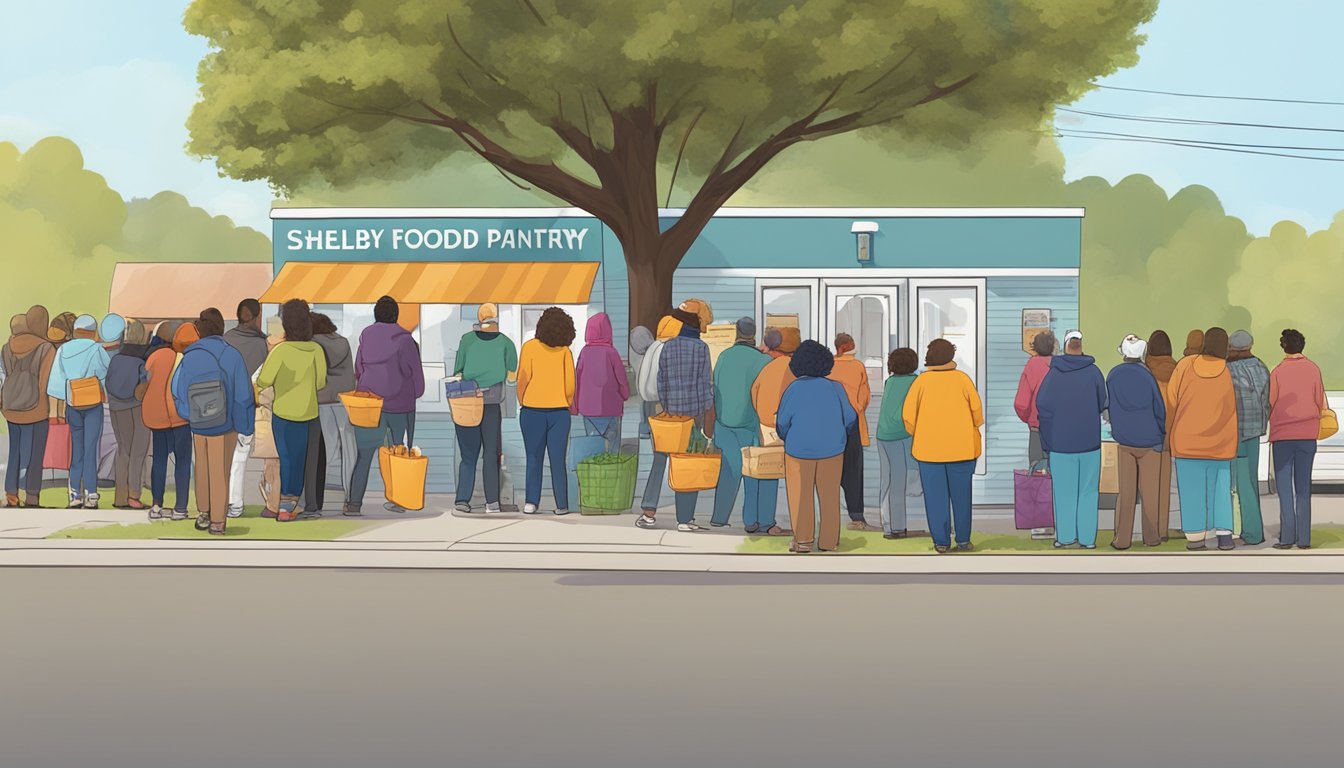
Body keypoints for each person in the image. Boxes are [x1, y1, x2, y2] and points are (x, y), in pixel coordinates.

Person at [172, 308, 255, 535]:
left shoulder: (189, 356)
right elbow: (243, 395)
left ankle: (204, 512)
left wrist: (188, 414)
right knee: (221, 470)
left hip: (199, 422)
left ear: (199, 330)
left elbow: (177, 388)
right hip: (226, 423)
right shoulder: (232, 354)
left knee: (202, 467)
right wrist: (246, 425)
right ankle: (218, 521)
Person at [903, 338, 983, 554]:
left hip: (929, 451)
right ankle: (964, 540)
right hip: (962, 449)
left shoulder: (921, 382)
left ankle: (941, 542)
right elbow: (977, 413)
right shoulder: (963, 380)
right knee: (962, 497)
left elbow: (908, 418)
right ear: (951, 357)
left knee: (935, 499)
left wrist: (922, 432)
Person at [776, 340, 855, 553]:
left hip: (798, 450)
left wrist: (787, 436)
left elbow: (782, 422)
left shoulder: (793, 389)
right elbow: (850, 417)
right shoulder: (836, 388)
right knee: (830, 497)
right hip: (832, 449)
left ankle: (803, 540)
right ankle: (829, 542)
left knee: (800, 496)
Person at [642, 303, 715, 531]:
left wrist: (667, 405)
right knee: (688, 464)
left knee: (659, 459)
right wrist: (706, 413)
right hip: (693, 417)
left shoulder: (668, 347)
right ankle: (684, 519)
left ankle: (648, 511)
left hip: (670, 414)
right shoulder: (701, 349)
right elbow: (705, 385)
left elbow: (661, 382)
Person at [350, 296, 425, 514]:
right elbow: (416, 376)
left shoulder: (366, 336)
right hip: (398, 406)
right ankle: (398, 500)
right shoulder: (406, 340)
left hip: (370, 405)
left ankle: (354, 503)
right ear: (396, 315)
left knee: (364, 455)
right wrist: (415, 393)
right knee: (397, 454)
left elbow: (358, 369)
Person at [1168, 327, 1238, 551]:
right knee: (1221, 489)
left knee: (1191, 490)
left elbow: (1171, 401)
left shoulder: (1185, 366)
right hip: (1221, 443)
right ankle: (1224, 535)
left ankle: (1196, 537)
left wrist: (1169, 431)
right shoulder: (1228, 373)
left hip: (1187, 441)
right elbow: (1232, 409)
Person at [256, 299, 327, 522]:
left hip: (283, 413)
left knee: (285, 458)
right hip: (308, 412)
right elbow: (321, 382)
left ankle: (284, 506)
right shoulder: (316, 349)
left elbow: (264, 380)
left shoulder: (281, 351)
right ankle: (290, 503)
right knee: (299, 460)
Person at [1036, 330, 1107, 549]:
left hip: (1060, 444)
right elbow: (1103, 402)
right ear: (1081, 346)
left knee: (1064, 492)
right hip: (1089, 443)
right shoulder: (1094, 372)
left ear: (1066, 346)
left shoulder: (1054, 374)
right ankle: (1087, 539)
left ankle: (1065, 537)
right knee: (1088, 492)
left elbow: (1042, 406)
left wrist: (1046, 441)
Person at [709, 318, 781, 534]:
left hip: (724, 423)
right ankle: (756, 521)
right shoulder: (763, 361)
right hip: (752, 425)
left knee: (729, 472)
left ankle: (719, 517)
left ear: (736, 332)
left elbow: (715, 389)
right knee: (757, 473)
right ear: (754, 335)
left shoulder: (723, 357)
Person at [452, 303, 518, 514]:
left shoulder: (467, 340)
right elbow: (512, 374)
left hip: (467, 402)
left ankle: (463, 500)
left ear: (479, 319)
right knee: (491, 453)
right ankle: (492, 502)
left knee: (468, 455)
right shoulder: (506, 343)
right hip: (491, 404)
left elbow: (458, 371)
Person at [1106, 334, 1166, 549]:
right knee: (1150, 493)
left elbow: (1108, 405)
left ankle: (1122, 539)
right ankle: (1151, 537)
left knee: (1127, 492)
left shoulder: (1113, 375)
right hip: (1150, 442)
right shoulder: (1147, 377)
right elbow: (1159, 408)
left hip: (1124, 441)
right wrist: (1161, 434)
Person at [1268, 328, 1326, 550]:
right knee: (1303, 488)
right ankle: (1304, 539)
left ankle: (1287, 538)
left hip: (1283, 435)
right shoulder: (1313, 369)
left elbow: (1271, 401)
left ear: (1284, 347)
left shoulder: (1278, 371)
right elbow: (1320, 401)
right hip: (1307, 434)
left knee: (1284, 488)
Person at [46, 314, 111, 509]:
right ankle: (91, 493)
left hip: (73, 404)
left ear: (75, 331)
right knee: (91, 448)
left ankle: (74, 494)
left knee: (77, 449)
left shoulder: (64, 349)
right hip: (93, 404)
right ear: (93, 331)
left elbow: (56, 381)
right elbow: (106, 373)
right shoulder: (97, 349)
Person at [516, 307, 576, 516]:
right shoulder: (565, 352)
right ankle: (561, 504)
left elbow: (522, 378)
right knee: (558, 460)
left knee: (533, 458)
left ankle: (531, 502)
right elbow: (570, 386)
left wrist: (523, 400)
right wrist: (565, 402)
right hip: (559, 413)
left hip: (532, 411)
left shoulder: (530, 347)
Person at [2, 306, 55, 508]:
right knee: (35, 454)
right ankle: (32, 496)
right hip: (36, 409)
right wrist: (44, 406)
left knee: (14, 451)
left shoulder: (7, 347)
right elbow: (44, 381)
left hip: (11, 406)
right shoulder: (46, 348)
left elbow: (4, 375)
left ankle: (11, 495)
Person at [143, 322, 195, 520]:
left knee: (159, 461)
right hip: (180, 416)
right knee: (182, 462)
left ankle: (157, 505)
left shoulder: (154, 357)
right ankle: (180, 508)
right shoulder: (183, 358)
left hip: (158, 417)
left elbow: (145, 382)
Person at [224, 298, 269, 518]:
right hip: (248, 408)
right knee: (240, 457)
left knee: (221, 457)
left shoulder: (226, 340)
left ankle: (221, 501)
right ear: (257, 315)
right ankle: (235, 504)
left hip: (222, 408)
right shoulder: (263, 345)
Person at [634, 315, 682, 522]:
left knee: (659, 459)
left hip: (651, 407)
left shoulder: (652, 348)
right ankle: (683, 513)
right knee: (678, 458)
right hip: (667, 407)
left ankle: (649, 508)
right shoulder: (669, 350)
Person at [1227, 330, 1270, 546]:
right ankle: (1251, 530)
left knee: (1237, 484)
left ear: (1232, 348)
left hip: (1235, 432)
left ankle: (1248, 532)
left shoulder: (1229, 369)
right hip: (1255, 431)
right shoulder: (1261, 366)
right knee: (1250, 481)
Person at [829, 333, 874, 531]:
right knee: (854, 472)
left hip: (830, 423)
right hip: (853, 423)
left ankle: (830, 515)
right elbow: (865, 396)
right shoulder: (858, 367)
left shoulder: (827, 366)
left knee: (828, 470)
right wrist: (856, 407)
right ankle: (857, 516)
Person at [106, 320, 151, 510]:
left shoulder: (116, 358)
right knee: (138, 451)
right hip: (135, 407)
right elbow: (143, 386)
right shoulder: (142, 359)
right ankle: (134, 495)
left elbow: (107, 382)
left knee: (123, 450)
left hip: (116, 407)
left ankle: (121, 497)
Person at [876, 347, 921, 540]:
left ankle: (889, 526)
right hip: (903, 434)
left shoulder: (889, 382)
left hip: (883, 435)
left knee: (888, 482)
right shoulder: (916, 382)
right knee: (903, 482)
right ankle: (899, 527)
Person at [310, 313, 353, 513]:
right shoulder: (344, 342)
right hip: (345, 400)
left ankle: (315, 500)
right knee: (349, 452)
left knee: (324, 453)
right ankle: (350, 498)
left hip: (322, 400)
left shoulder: (312, 344)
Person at [573, 311, 628, 457]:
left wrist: (575, 404)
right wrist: (625, 394)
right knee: (613, 447)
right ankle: (612, 474)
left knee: (593, 446)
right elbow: (621, 378)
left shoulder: (584, 353)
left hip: (588, 408)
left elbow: (576, 378)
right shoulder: (612, 353)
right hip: (612, 407)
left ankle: (595, 475)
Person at [1145, 330, 1178, 540]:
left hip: (1148, 433)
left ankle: (1151, 530)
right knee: (1164, 486)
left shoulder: (1145, 371)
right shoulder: (1177, 370)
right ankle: (1163, 530)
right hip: (1171, 433)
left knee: (1148, 487)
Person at [1014, 331, 1057, 466]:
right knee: (1060, 472)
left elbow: (1021, 404)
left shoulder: (1031, 366)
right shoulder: (1061, 366)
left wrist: (1030, 418)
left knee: (1037, 475)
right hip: (1059, 427)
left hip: (1037, 427)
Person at [628, 326, 656, 439]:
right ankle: (650, 429)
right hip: (652, 387)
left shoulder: (632, 351)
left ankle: (645, 429)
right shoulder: (654, 351)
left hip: (641, 386)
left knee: (644, 404)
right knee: (651, 405)